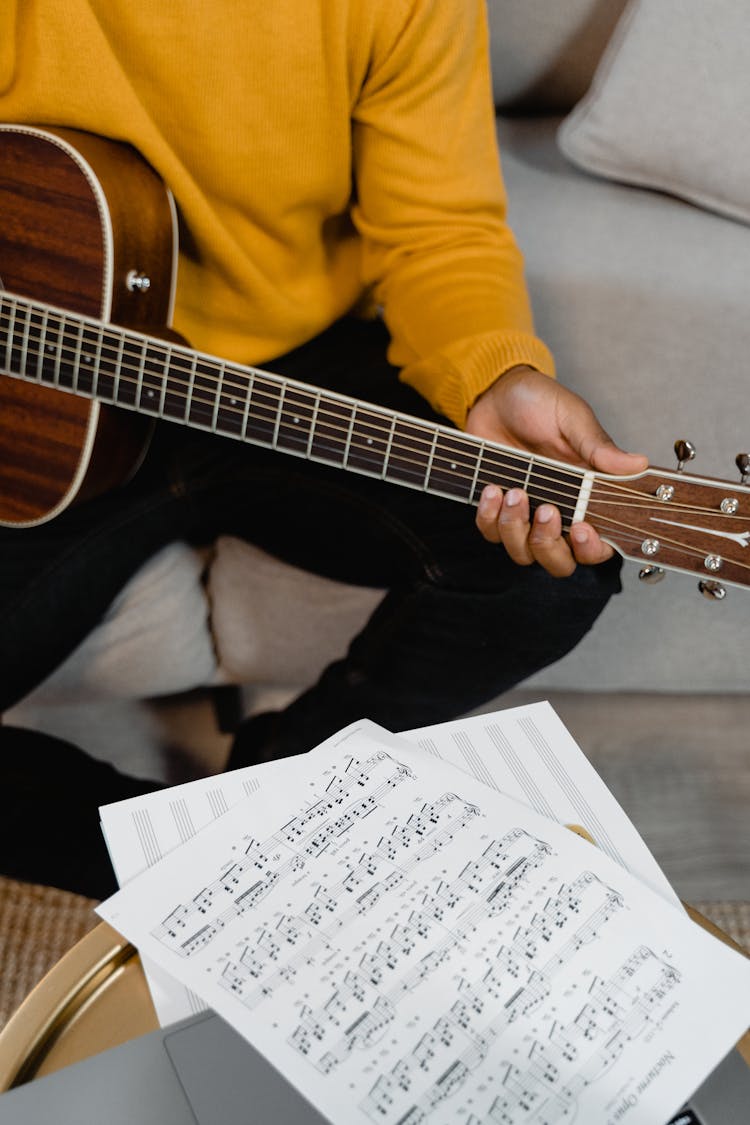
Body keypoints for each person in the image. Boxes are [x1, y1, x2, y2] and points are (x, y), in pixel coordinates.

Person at [0, 1, 646, 898]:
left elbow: (440, 230)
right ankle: (190, 870)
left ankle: (281, 790)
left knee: (553, 563)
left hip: (293, 379)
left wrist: (491, 378)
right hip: (52, 403)